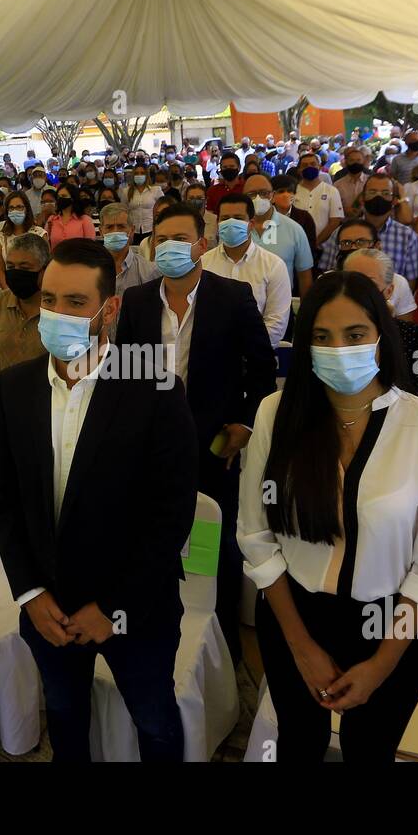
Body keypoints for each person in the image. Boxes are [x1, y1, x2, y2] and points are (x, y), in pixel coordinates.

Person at [0, 238, 198, 761]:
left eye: (76, 303)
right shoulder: (16, 387)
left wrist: (114, 608)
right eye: (50, 299)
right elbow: (5, 499)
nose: (57, 313)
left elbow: (170, 517)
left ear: (111, 308)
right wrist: (30, 593)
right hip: (48, 606)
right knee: (64, 713)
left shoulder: (156, 389)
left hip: (134, 609)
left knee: (154, 721)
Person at [237, 270, 418, 761]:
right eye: (321, 337)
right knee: (299, 744)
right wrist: (301, 647)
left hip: (389, 623)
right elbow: (256, 535)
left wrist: (380, 665)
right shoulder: (277, 413)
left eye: (354, 335)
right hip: (294, 613)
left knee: (369, 751)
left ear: (381, 334)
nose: (338, 348)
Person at [116, 203, 275, 664]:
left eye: (179, 238)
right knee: (152, 536)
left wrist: (245, 424)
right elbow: (123, 371)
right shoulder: (138, 301)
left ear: (201, 245)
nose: (169, 247)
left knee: (217, 542)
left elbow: (262, 369)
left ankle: (223, 647)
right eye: (160, 239)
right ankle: (159, 627)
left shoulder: (233, 296)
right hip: (150, 445)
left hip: (213, 441)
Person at [342, 248, 418, 402]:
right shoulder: (327, 334)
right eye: (350, 281)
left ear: (389, 291)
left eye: (368, 283)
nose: (357, 292)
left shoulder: (414, 336)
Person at [201, 193, 292, 347]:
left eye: (237, 218)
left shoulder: (273, 265)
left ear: (251, 224)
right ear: (217, 223)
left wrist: (247, 351)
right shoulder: (203, 264)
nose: (231, 223)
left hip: (257, 357)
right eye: (225, 218)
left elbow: (276, 324)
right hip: (211, 355)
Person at [0, 232, 49, 406]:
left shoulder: (57, 308)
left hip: (45, 406)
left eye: (25, 268)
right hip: (8, 403)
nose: (16, 273)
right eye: (10, 267)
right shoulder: (3, 300)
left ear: (44, 270)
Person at [240, 174, 315, 294]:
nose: (258, 198)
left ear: (273, 196)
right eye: (252, 194)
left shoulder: (294, 229)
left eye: (264, 193)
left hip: (282, 305)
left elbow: (304, 275)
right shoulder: (236, 228)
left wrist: (305, 311)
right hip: (242, 305)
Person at [99, 202, 159, 303]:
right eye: (109, 227)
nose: (115, 232)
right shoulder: (89, 268)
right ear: (101, 232)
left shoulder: (149, 272)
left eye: (121, 226)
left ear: (132, 230)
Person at [0, 190, 46, 290]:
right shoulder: (3, 236)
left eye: (19, 207)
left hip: (35, 289)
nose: (15, 211)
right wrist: (8, 291)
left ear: (26, 209)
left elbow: (45, 268)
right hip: (9, 288)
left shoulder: (40, 234)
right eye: (11, 208)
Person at [293, 151, 345, 248]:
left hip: (323, 248)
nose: (309, 167)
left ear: (320, 167)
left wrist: (315, 243)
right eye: (305, 165)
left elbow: (335, 221)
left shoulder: (332, 191)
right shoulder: (293, 191)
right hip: (296, 246)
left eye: (313, 164)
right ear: (299, 170)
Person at [47, 183, 97, 249]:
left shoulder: (85, 220)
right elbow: (47, 245)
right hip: (56, 258)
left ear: (73, 198)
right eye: (58, 197)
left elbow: (90, 246)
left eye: (64, 196)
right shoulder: (51, 219)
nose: (60, 199)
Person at [124, 167, 161, 245]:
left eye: (142, 173)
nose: (139, 175)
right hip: (133, 230)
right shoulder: (126, 191)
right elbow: (124, 210)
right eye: (137, 173)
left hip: (150, 228)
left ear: (146, 175)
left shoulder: (155, 190)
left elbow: (162, 207)